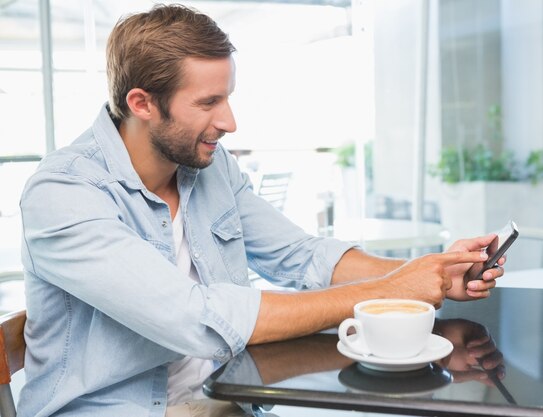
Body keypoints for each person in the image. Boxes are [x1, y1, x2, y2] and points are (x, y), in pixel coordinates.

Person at [18, 4, 505, 417]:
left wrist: (430, 274)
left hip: (227, 399)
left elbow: (300, 254)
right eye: (208, 102)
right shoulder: (63, 194)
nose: (228, 121)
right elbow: (199, 319)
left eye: (227, 97)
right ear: (142, 103)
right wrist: (387, 291)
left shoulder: (210, 169)